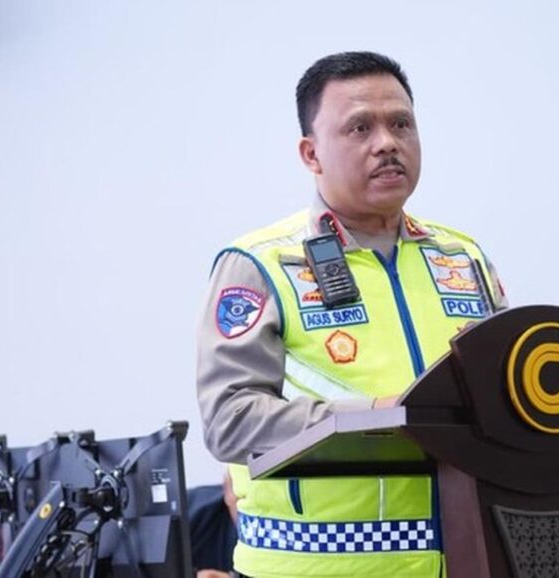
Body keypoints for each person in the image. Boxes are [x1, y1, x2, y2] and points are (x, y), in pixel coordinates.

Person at [197, 51, 507, 578]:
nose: (387, 142)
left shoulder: (462, 258)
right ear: (311, 153)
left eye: (401, 124)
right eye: (360, 128)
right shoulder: (260, 264)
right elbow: (231, 420)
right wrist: (376, 417)